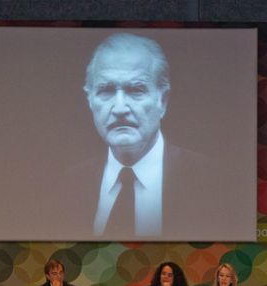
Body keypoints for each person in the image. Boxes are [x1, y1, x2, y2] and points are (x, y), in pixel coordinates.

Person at [74, 32, 219, 239]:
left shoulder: (214, 181)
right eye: (106, 90)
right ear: (90, 100)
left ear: (163, 101)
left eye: (136, 90)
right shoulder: (66, 186)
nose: (120, 108)